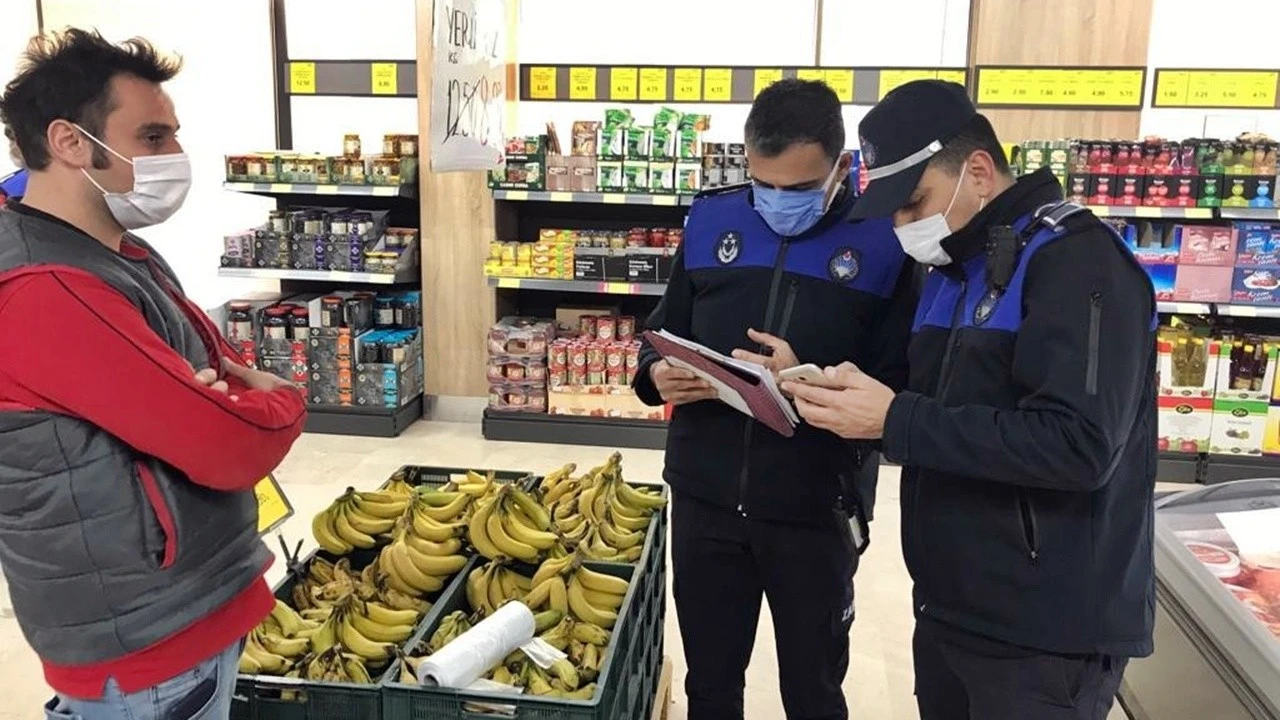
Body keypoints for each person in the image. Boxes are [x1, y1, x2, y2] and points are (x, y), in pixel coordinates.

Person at [785, 80, 1156, 720]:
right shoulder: (956, 270)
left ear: (978, 171)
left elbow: (1079, 446)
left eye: (915, 202)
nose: (904, 225)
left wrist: (895, 418)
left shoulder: (1078, 264)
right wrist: (841, 394)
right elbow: (937, 407)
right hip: (952, 607)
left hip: (1044, 632)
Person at [0, 30, 308, 719]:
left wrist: (202, 389)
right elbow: (227, 444)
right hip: (146, 640)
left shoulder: (112, 250)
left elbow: (210, 368)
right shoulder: (45, 289)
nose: (176, 157)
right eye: (153, 136)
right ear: (70, 143)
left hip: (174, 605)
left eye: (173, 135)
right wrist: (282, 400)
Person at [633, 78, 919, 720]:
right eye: (764, 184)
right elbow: (662, 326)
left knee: (813, 691)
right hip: (706, 497)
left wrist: (811, 379)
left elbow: (898, 388)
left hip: (814, 507)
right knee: (711, 684)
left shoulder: (887, 244)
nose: (777, 202)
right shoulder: (712, 219)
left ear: (842, 168)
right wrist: (657, 374)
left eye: (796, 188)